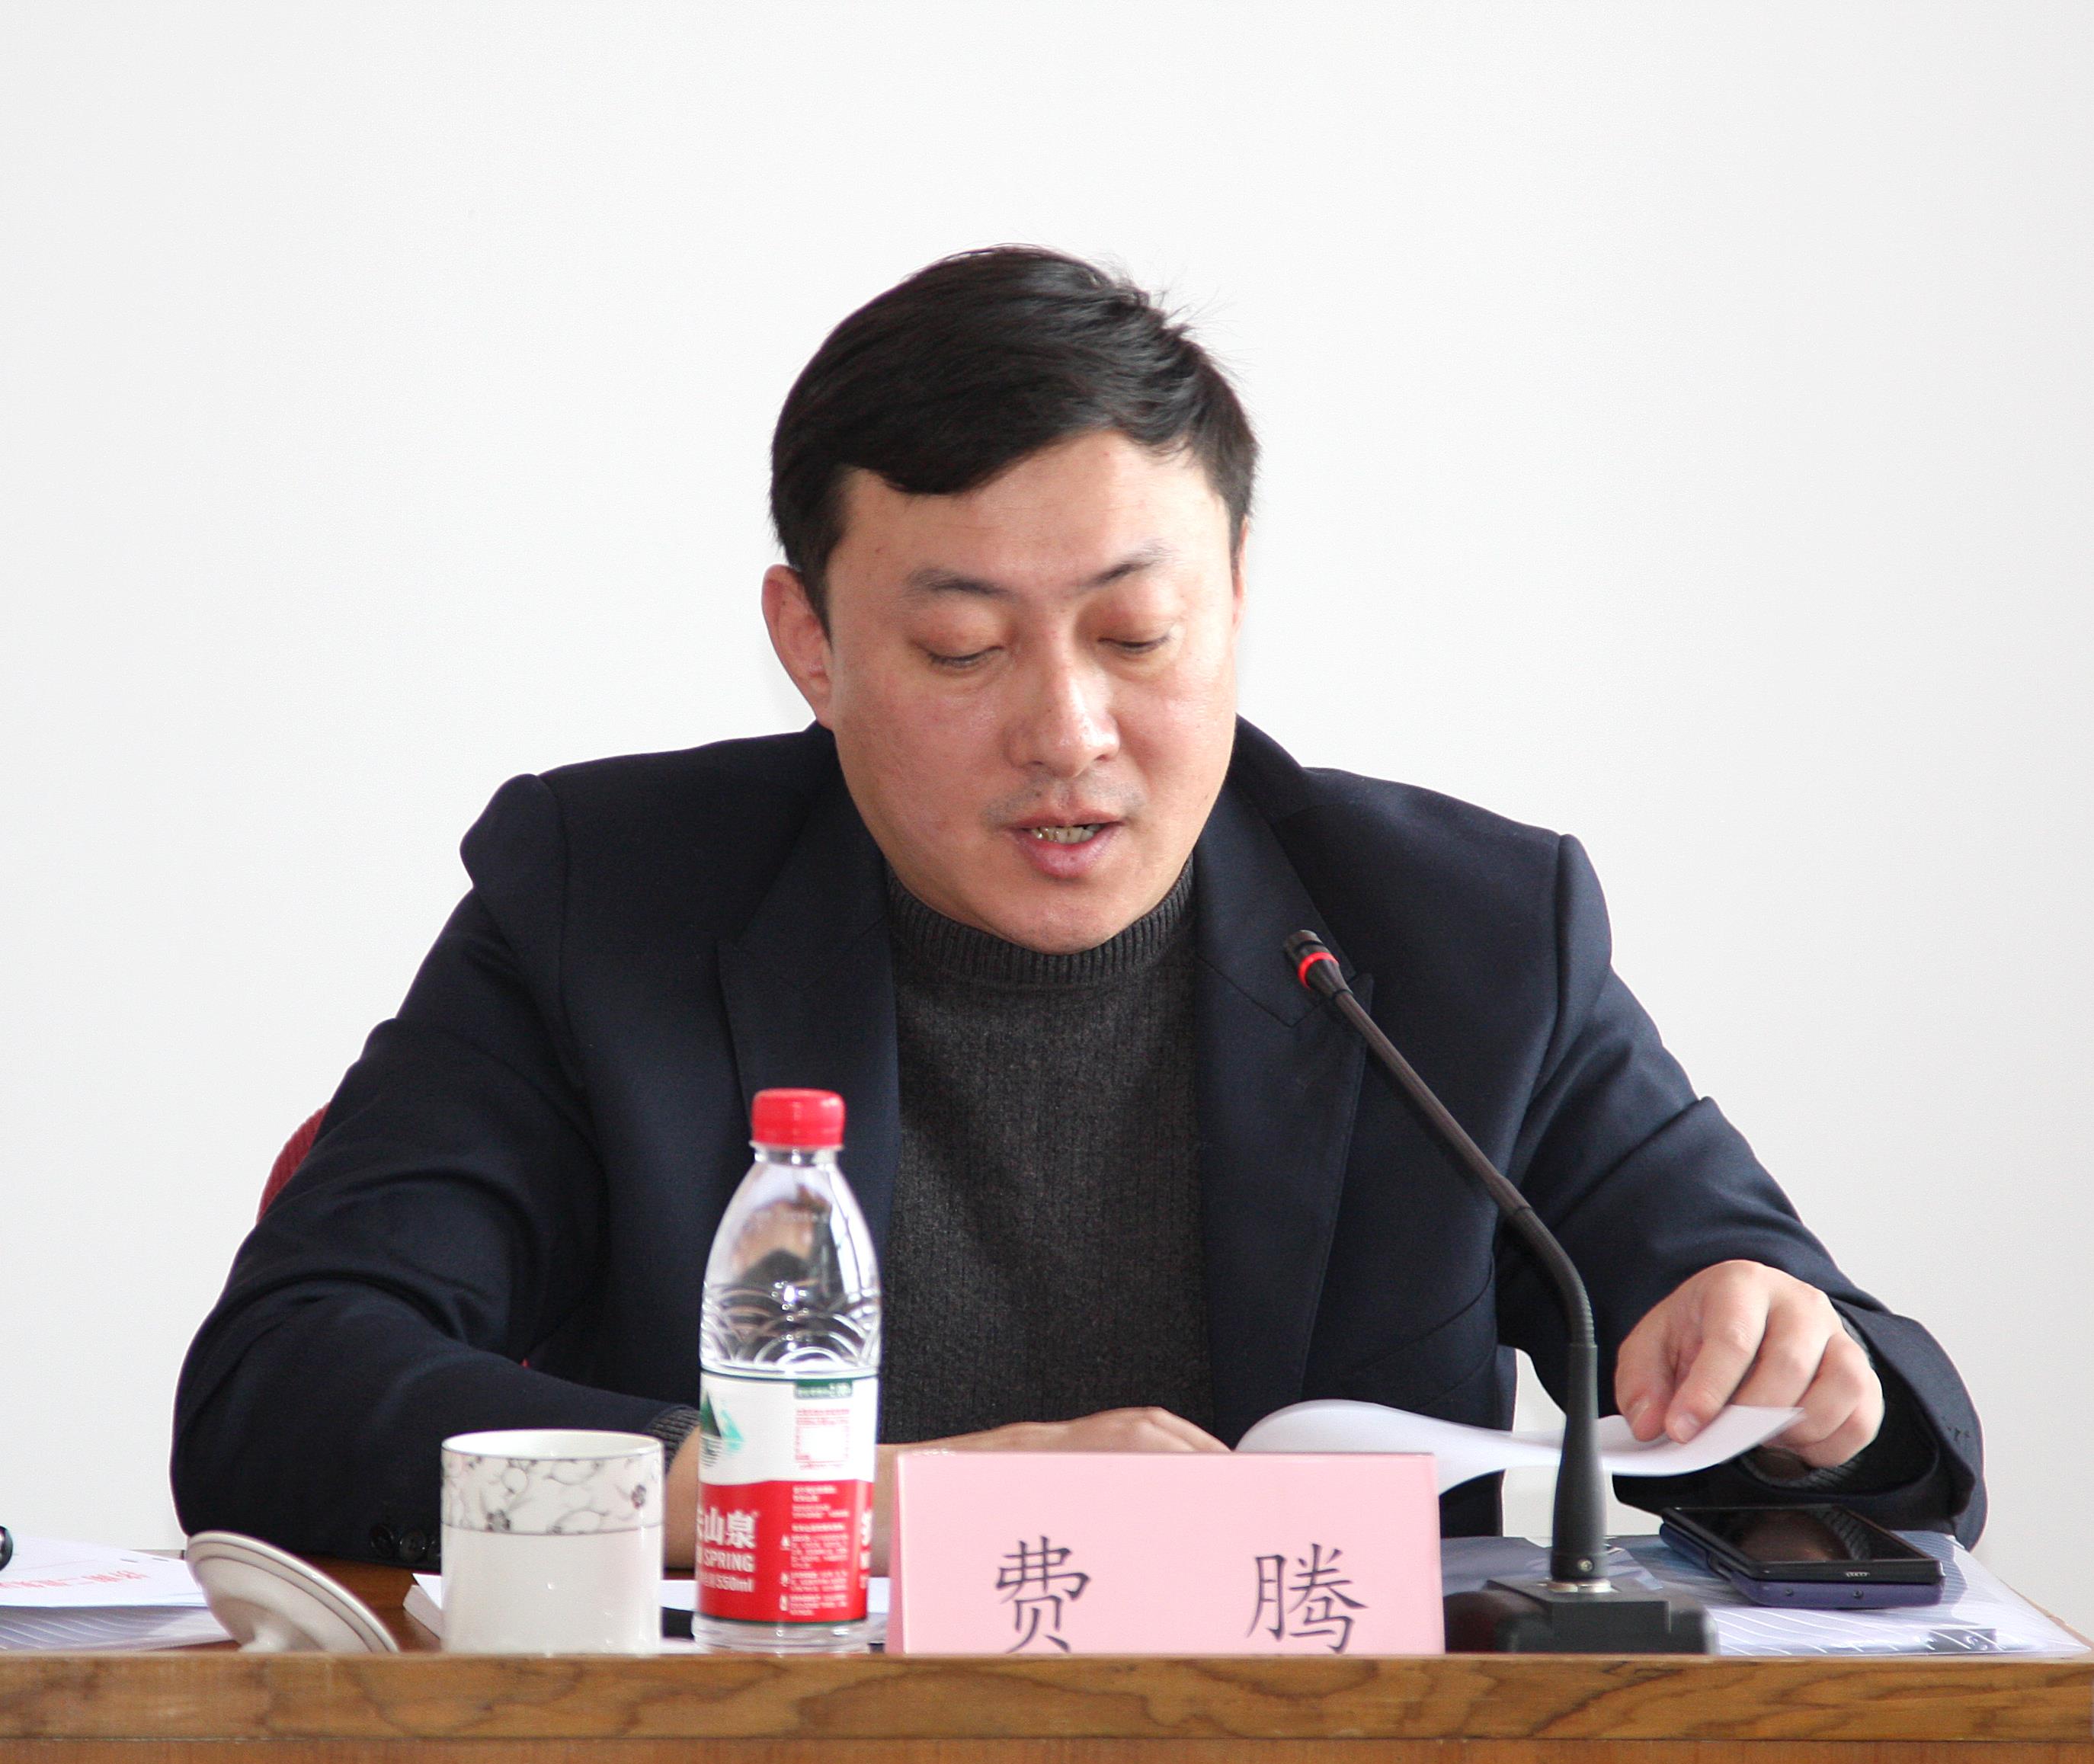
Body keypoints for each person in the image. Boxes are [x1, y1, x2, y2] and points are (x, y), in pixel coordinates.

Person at [171, 248, 1984, 1570]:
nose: (1068, 731)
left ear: (1238, 600)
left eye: (1137, 634)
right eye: (964, 648)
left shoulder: (1464, 940)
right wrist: (854, 1501)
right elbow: (283, 1392)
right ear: (812, 644)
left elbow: (1891, 1433)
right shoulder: (612, 904)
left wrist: (1799, 1380)